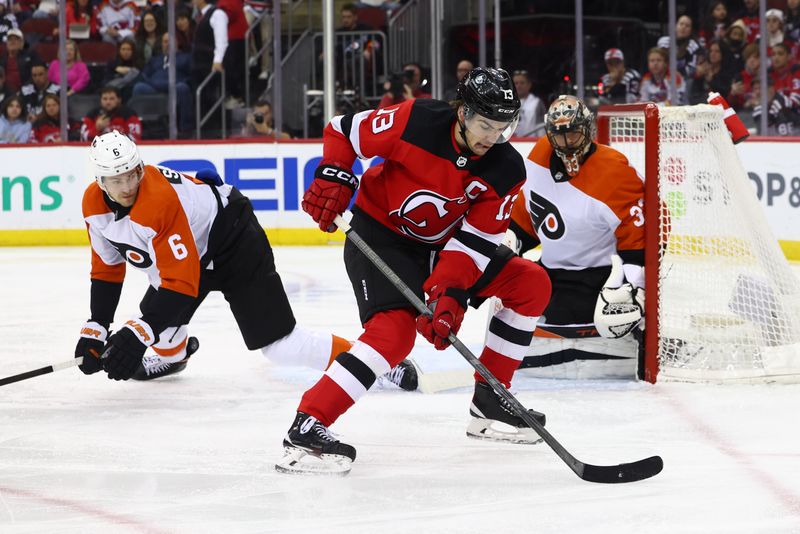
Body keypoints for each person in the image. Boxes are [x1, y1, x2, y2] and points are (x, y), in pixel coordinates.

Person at [276, 67, 552, 475]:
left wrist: (451, 296)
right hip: (382, 237)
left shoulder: (506, 170)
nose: (491, 138)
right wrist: (334, 172)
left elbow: (473, 244)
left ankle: (490, 400)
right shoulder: (414, 120)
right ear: (463, 112)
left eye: (502, 128)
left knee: (531, 282)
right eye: (483, 125)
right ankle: (308, 423)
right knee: (394, 334)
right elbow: (342, 130)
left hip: (446, 247)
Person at [75, 131, 419, 387]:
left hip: (232, 238)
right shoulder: (93, 206)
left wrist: (137, 333)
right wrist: (97, 326)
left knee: (282, 347)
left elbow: (181, 285)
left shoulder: (157, 201)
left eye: (132, 174)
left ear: (140, 168)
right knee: (158, 335)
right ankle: (174, 356)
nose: (126, 186)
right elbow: (106, 267)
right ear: (99, 180)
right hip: (191, 253)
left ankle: (374, 360)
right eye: (115, 179)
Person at [508, 95, 645, 379]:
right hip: (553, 274)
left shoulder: (614, 169)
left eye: (573, 133)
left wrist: (633, 287)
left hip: (600, 278)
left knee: (611, 322)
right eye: (559, 136)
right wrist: (512, 239)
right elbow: (530, 215)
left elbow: (642, 236)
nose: (567, 143)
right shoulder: (539, 157)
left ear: (588, 130)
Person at [132, 32, 193, 134]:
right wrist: (152, 83)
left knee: (183, 88)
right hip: (154, 88)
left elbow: (190, 76)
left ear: (177, 43)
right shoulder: (155, 59)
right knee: (139, 88)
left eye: (170, 41)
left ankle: (185, 129)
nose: (167, 44)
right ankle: (140, 128)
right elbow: (145, 75)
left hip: (175, 87)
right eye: (165, 41)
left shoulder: (186, 57)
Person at [511, 69, 544, 137]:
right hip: (510, 143)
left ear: (529, 85)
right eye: (516, 83)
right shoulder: (506, 103)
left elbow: (541, 128)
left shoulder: (536, 103)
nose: (518, 86)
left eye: (522, 83)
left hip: (530, 143)